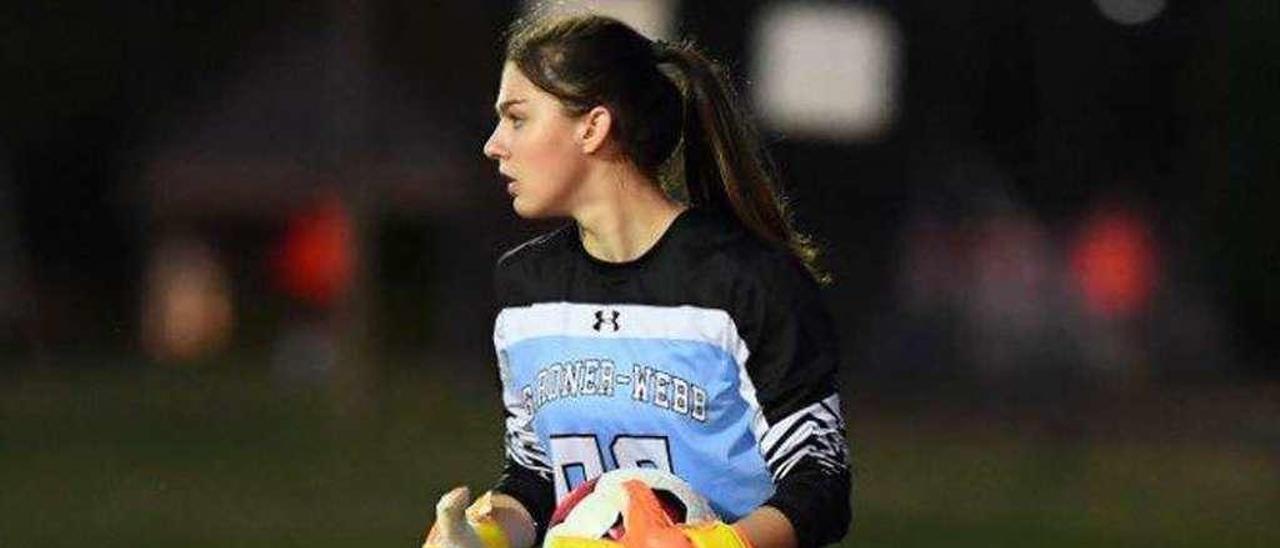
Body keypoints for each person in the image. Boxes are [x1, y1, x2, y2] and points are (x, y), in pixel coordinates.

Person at [424, 13, 851, 548]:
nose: (493, 144)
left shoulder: (747, 283)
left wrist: (708, 546)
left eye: (516, 118)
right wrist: (480, 536)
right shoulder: (526, 290)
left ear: (593, 127)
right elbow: (537, 479)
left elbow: (820, 487)